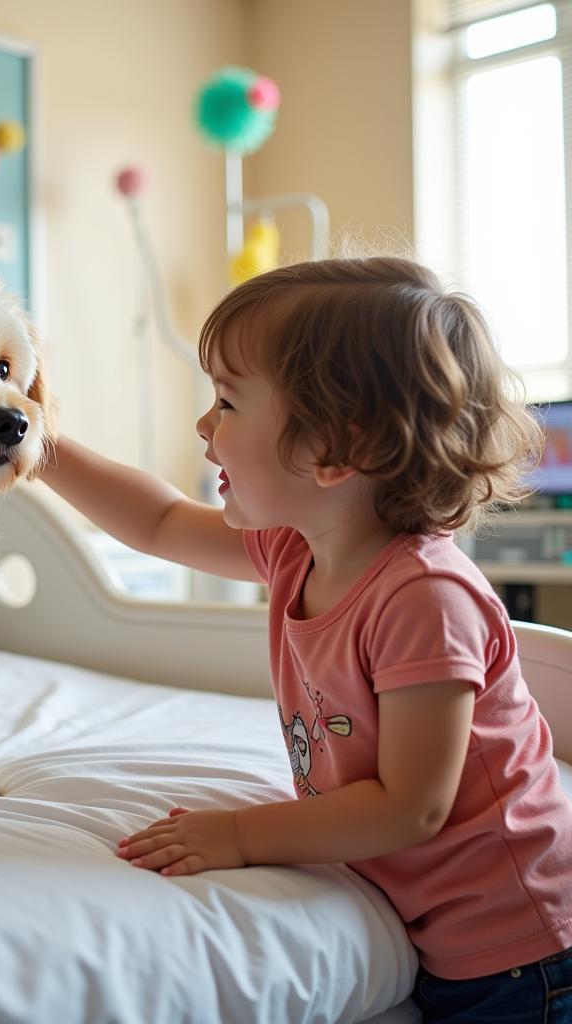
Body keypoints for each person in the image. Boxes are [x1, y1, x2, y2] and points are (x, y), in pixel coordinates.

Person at [39, 257, 572, 1022]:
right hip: (439, 931)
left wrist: (240, 835)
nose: (202, 426)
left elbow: (410, 807)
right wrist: (35, 446)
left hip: (518, 951)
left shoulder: (424, 596)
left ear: (335, 450)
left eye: (225, 401)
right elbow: (156, 522)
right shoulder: (296, 547)